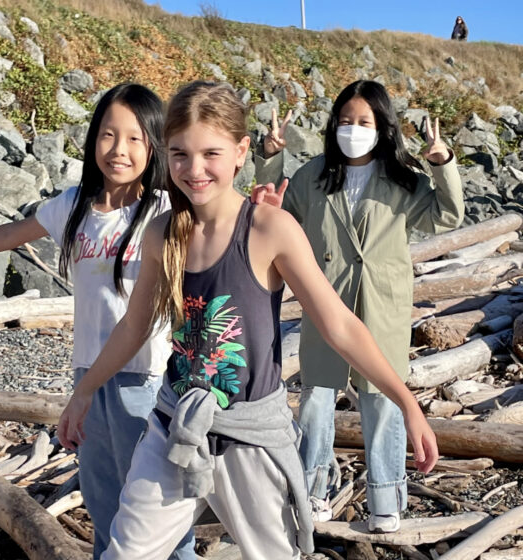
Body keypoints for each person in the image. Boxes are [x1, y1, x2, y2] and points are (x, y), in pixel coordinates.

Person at [58, 80, 439, 560]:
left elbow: (338, 324)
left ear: (240, 152)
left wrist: (406, 403)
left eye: (210, 154)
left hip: (251, 435)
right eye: (179, 154)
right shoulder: (162, 232)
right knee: (126, 551)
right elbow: (133, 327)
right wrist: (85, 390)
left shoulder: (268, 229)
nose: (194, 170)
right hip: (174, 424)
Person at [0, 83, 195, 560]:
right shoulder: (77, 203)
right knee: (105, 503)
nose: (118, 149)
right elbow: (12, 233)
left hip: (146, 377)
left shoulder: (165, 210)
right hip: (89, 374)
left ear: (156, 145)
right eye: (107, 135)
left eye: (134, 138)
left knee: (157, 506)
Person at [254, 79, 463, 532]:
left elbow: (447, 216)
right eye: (345, 121)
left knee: (383, 401)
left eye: (364, 121)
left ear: (382, 127)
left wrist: (442, 162)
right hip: (326, 303)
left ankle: (386, 499)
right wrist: (269, 158)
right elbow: (268, 211)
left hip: (382, 306)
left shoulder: (403, 178)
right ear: (333, 126)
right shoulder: (311, 176)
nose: (353, 129)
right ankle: (312, 491)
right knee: (315, 400)